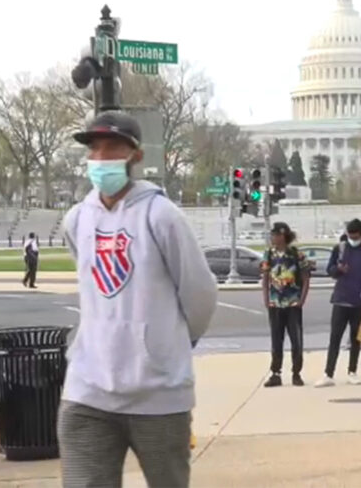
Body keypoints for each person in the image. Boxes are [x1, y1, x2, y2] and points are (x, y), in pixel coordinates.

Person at [58, 110, 218, 488]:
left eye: (112, 147)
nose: (101, 158)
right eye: (94, 149)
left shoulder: (162, 217)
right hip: (88, 390)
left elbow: (199, 293)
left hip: (158, 394)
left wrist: (170, 346)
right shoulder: (77, 220)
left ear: (136, 156)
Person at [316, 218, 361, 387]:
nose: (353, 239)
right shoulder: (339, 249)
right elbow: (330, 270)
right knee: (335, 338)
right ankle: (328, 373)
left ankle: (352, 371)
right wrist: (338, 270)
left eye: (356, 236)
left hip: (359, 301)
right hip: (341, 300)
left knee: (356, 338)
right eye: (350, 236)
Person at [260, 222, 311, 388]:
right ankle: (276, 373)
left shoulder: (297, 255)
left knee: (296, 339)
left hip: (292, 302)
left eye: (275, 235)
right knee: (276, 340)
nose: (273, 238)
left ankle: (296, 373)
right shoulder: (268, 254)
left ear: (283, 236)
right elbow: (265, 277)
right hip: (276, 303)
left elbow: (305, 278)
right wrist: (266, 299)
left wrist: (301, 300)